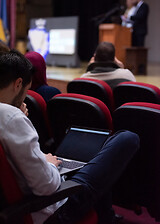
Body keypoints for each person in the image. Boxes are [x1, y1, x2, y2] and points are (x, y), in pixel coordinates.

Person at [0, 50, 140, 224]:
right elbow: (47, 186)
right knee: (126, 138)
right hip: (55, 208)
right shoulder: (11, 117)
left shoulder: (8, 117)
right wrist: (49, 164)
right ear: (18, 84)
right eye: (26, 91)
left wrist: (42, 159)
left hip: (24, 202)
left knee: (96, 163)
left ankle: (107, 217)